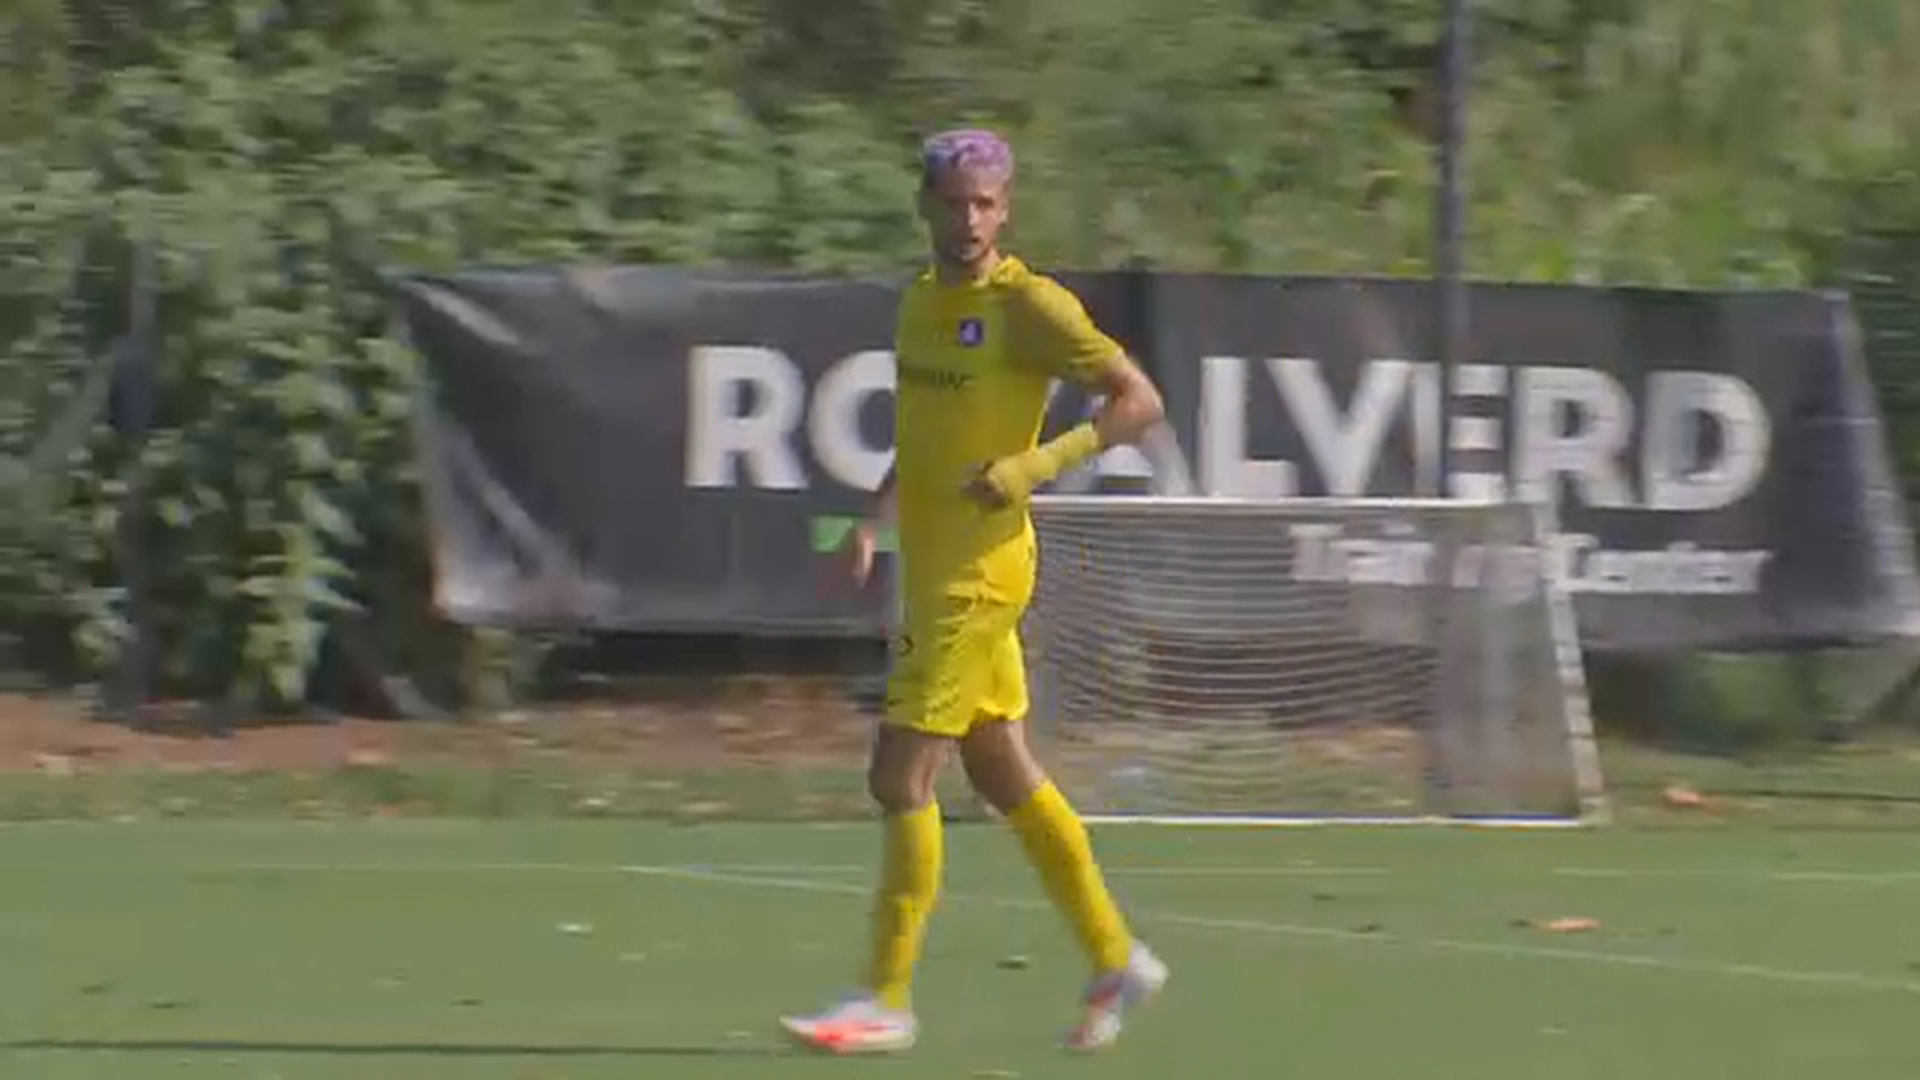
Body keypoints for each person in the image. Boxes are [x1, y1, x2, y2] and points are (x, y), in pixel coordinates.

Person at [779, 129, 1170, 1055]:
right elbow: (922, 436)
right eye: (955, 201)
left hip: (978, 573)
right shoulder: (919, 302)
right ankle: (1116, 956)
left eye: (987, 203)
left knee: (899, 773)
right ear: (925, 203)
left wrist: (1038, 463)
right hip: (934, 561)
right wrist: (873, 524)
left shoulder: (1028, 304)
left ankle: (885, 998)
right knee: (999, 769)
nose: (970, 219)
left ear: (1007, 209)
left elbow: (1138, 400)